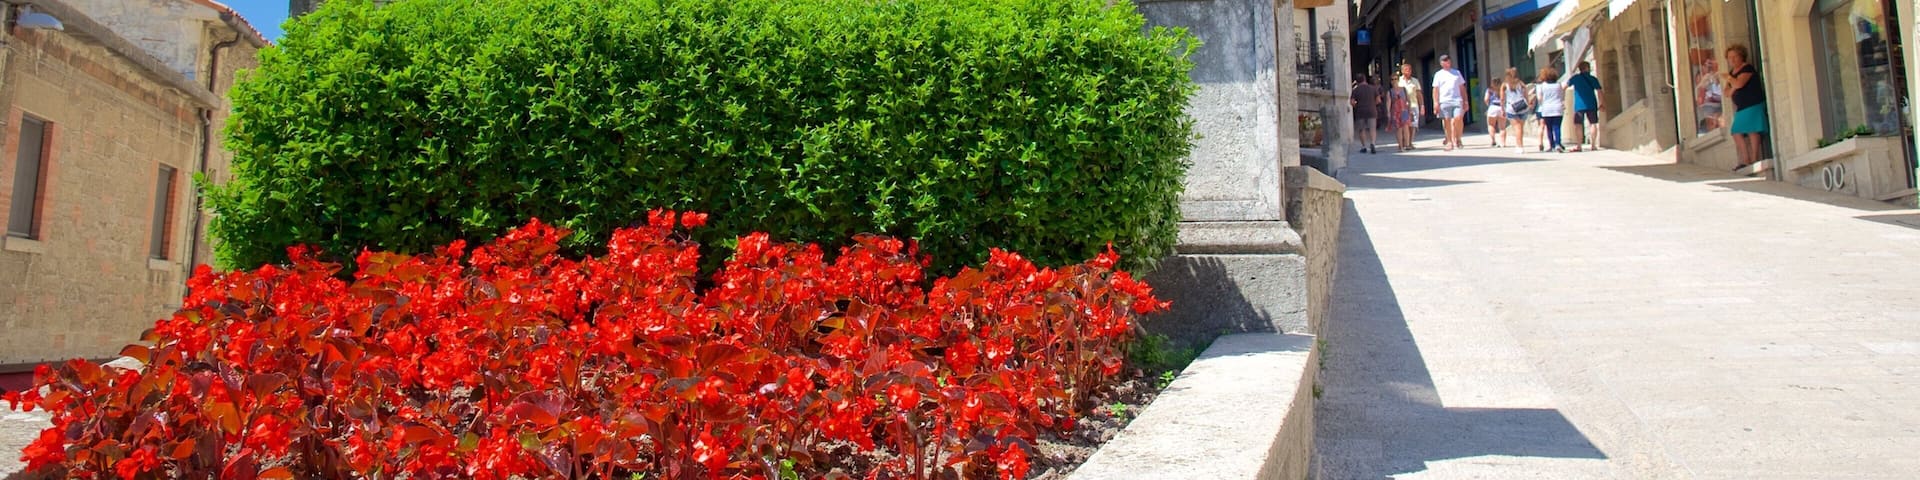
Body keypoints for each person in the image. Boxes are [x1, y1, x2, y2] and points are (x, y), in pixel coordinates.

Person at [1724, 44, 1767, 171]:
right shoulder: (1732, 73)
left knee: (1752, 130)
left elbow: (1739, 84)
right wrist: (1733, 84)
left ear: (1741, 56)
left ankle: (1754, 158)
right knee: (1737, 132)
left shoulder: (1747, 68)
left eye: (1735, 56)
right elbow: (1727, 92)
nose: (1732, 60)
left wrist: (1730, 80)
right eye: (1729, 57)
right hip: (1742, 107)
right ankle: (1746, 160)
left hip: (1752, 103)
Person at [1431, 54, 1469, 151]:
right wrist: (1435, 102)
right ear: (1441, 63)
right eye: (1444, 61)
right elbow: (1435, 89)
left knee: (1458, 118)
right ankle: (1449, 141)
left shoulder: (1456, 73)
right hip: (1444, 100)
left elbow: (1462, 88)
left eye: (1447, 60)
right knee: (1446, 120)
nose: (1446, 62)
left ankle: (1458, 138)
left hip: (1457, 100)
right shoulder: (1438, 74)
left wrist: (1465, 101)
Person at [1566, 61, 1604, 151]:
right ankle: (1593, 145)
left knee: (1578, 125)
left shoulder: (1575, 78)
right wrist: (1601, 103)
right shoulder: (1593, 78)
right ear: (1587, 68)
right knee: (1593, 123)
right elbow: (1599, 91)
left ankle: (1579, 146)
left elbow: (1565, 86)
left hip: (1579, 105)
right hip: (1591, 104)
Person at [1532, 66, 1567, 152]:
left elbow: (1539, 98)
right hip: (1557, 107)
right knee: (1557, 127)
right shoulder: (1558, 85)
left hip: (1546, 108)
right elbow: (1562, 94)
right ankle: (1558, 143)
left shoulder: (1542, 86)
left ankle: (1552, 145)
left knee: (1549, 128)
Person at [1499, 67, 1530, 153]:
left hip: (1511, 108)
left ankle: (1519, 146)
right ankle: (1519, 145)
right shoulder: (1521, 83)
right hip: (1523, 107)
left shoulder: (1504, 85)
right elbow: (1526, 95)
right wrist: (1528, 104)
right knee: (1520, 128)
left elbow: (1502, 99)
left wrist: (1502, 109)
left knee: (1517, 128)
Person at [1394, 62, 1423, 151]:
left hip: (1414, 105)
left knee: (1412, 125)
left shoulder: (1415, 81)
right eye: (1406, 70)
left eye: (1409, 70)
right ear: (1402, 71)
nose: (1408, 72)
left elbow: (1419, 94)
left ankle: (1410, 142)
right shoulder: (1399, 81)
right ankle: (1403, 142)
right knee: (1403, 125)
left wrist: (1422, 105)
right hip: (1402, 107)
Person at [1352, 74, 1382, 154]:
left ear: (1357, 81)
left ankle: (1364, 146)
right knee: (1372, 128)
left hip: (1360, 111)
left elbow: (1352, 102)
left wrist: (1356, 106)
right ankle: (1372, 143)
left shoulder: (1356, 90)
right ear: (1365, 79)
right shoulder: (1373, 88)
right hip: (1372, 110)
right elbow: (1378, 100)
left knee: (1361, 129)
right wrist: (1373, 104)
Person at [1483, 76, 1508, 148]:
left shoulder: (1489, 90)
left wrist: (1488, 105)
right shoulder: (1503, 89)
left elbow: (1486, 99)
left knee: (1491, 125)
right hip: (1501, 107)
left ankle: (1493, 141)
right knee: (1502, 127)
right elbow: (1504, 98)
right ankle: (1503, 143)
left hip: (1492, 107)